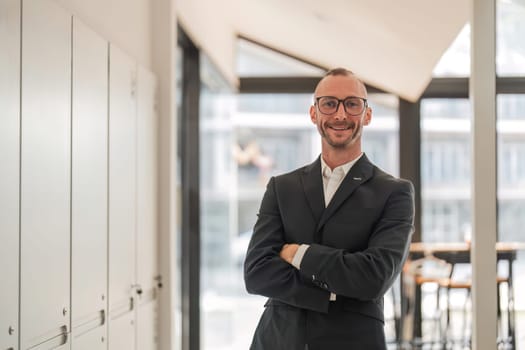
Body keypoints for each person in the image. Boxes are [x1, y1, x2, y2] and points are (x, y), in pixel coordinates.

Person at [243, 68, 415, 349]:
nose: (340, 115)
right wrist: (332, 294)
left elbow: (374, 278)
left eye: (352, 104)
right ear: (314, 114)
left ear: (367, 115)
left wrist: (298, 253)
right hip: (280, 339)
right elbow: (257, 272)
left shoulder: (394, 192)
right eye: (329, 103)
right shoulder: (281, 187)